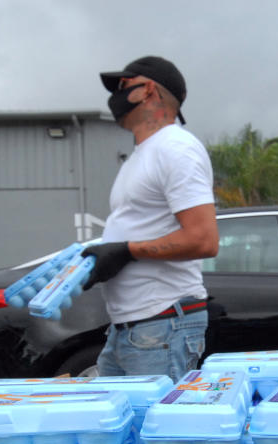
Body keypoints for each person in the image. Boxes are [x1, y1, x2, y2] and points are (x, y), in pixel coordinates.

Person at [83, 55, 218, 382]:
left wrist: (126, 251)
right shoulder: (143, 155)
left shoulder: (177, 148)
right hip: (134, 327)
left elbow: (204, 239)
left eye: (123, 85)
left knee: (156, 429)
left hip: (162, 324)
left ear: (149, 91)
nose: (114, 94)